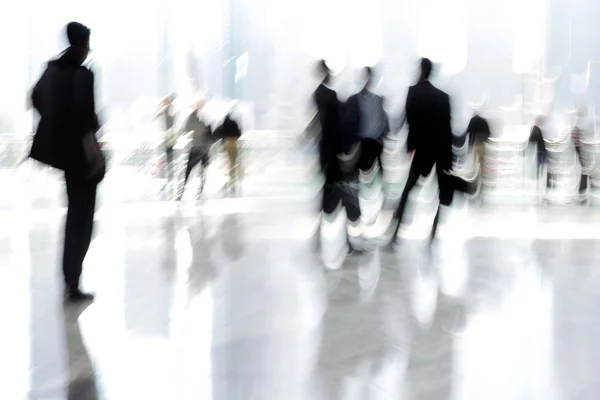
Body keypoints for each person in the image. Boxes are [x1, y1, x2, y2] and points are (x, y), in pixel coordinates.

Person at [30, 22, 104, 301]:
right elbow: (86, 120)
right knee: (82, 220)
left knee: (74, 215)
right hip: (82, 156)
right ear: (85, 44)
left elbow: (36, 98)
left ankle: (70, 280)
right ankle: (73, 284)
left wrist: (54, 124)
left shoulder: (52, 69)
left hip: (64, 153)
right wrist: (94, 154)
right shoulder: (84, 74)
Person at [387, 58, 453, 245]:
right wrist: (448, 158)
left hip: (422, 150)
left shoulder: (413, 93)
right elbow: (446, 129)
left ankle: (396, 233)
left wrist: (410, 147)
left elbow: (406, 121)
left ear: (422, 70)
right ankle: (433, 233)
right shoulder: (442, 97)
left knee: (408, 190)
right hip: (439, 151)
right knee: (441, 194)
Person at [313, 60, 361, 240]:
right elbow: (335, 127)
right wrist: (343, 154)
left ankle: (324, 232)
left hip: (324, 151)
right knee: (339, 191)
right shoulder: (331, 95)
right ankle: (346, 236)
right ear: (325, 73)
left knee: (332, 191)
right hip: (333, 151)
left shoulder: (316, 94)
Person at [352, 67, 389, 175]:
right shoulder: (355, 99)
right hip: (363, 141)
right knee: (363, 170)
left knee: (379, 171)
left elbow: (383, 119)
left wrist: (384, 134)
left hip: (376, 140)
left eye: (368, 77)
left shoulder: (378, 99)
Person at [178, 99, 214, 199]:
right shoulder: (202, 118)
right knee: (201, 170)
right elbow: (209, 135)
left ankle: (185, 191)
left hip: (198, 148)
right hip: (203, 148)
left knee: (190, 170)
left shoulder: (196, 118)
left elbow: (186, 130)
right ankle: (200, 190)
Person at [214, 106, 242, 191]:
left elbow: (216, 133)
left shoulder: (223, 124)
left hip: (226, 144)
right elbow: (239, 132)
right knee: (233, 163)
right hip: (234, 143)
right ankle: (232, 180)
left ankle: (230, 179)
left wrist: (222, 140)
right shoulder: (234, 123)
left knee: (229, 162)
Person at [154, 93, 178, 182]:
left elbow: (157, 115)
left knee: (168, 154)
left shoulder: (168, 108)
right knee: (169, 155)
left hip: (169, 135)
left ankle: (164, 172)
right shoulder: (168, 108)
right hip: (169, 135)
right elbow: (158, 114)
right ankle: (166, 173)